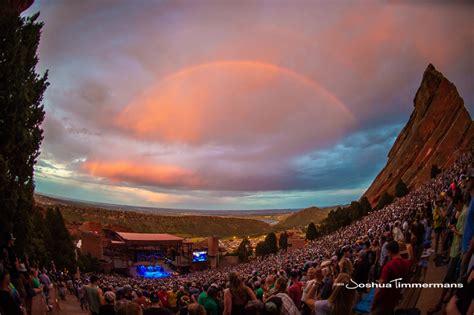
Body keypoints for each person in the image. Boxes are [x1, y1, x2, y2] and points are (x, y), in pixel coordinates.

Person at [371, 241, 412, 315]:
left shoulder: (388, 267)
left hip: (385, 301)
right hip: (395, 298)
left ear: (389, 251)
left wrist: (374, 303)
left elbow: (380, 288)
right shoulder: (407, 263)